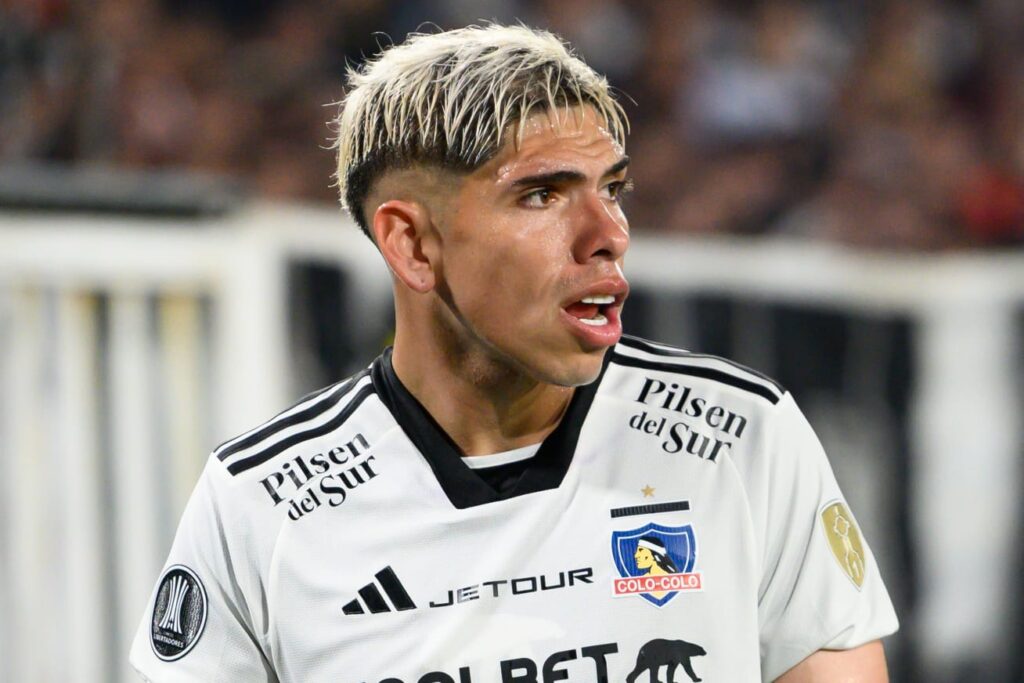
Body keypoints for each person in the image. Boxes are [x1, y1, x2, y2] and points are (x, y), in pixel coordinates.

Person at [130, 24, 897, 682]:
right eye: (542, 195)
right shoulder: (261, 502)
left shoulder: (739, 437)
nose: (609, 234)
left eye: (613, 189)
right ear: (413, 243)